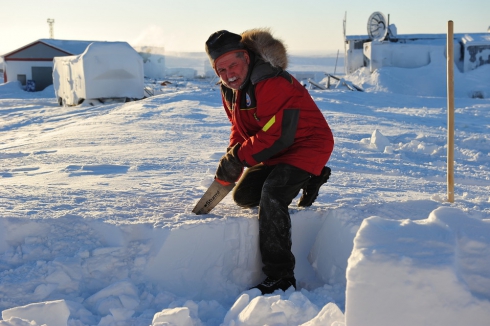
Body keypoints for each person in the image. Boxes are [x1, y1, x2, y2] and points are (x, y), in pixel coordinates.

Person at [205, 28, 334, 294]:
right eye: (221, 69)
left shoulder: (270, 81)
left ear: (247, 57)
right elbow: (239, 128)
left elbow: (278, 135)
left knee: (273, 195)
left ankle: (281, 276)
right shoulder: (229, 89)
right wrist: (232, 156)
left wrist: (240, 156)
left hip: (306, 144)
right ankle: (310, 176)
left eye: (233, 64)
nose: (228, 74)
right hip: (275, 149)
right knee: (244, 197)